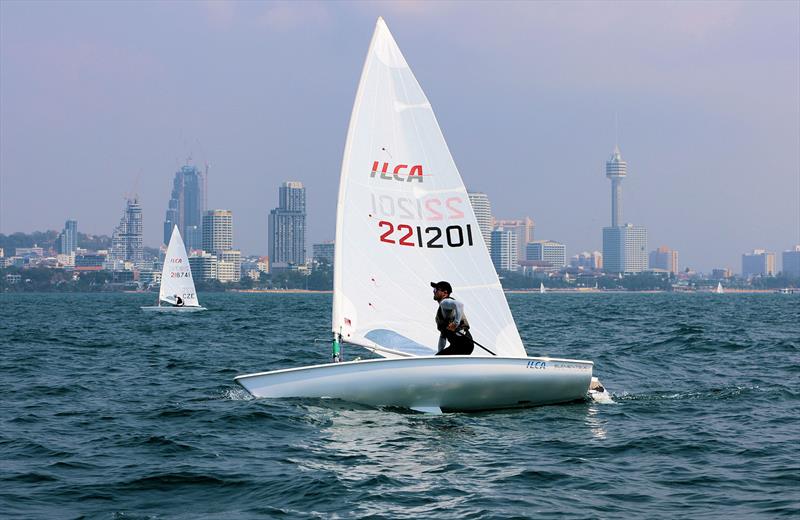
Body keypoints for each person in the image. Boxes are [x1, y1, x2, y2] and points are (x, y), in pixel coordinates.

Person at [431, 281, 474, 355]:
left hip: (463, 343)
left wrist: (455, 323)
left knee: (439, 359)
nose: (434, 292)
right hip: (460, 345)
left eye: (436, 290)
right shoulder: (442, 310)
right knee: (439, 357)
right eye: (433, 290)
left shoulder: (444, 302)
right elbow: (443, 336)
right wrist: (439, 353)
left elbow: (459, 305)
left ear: (445, 292)